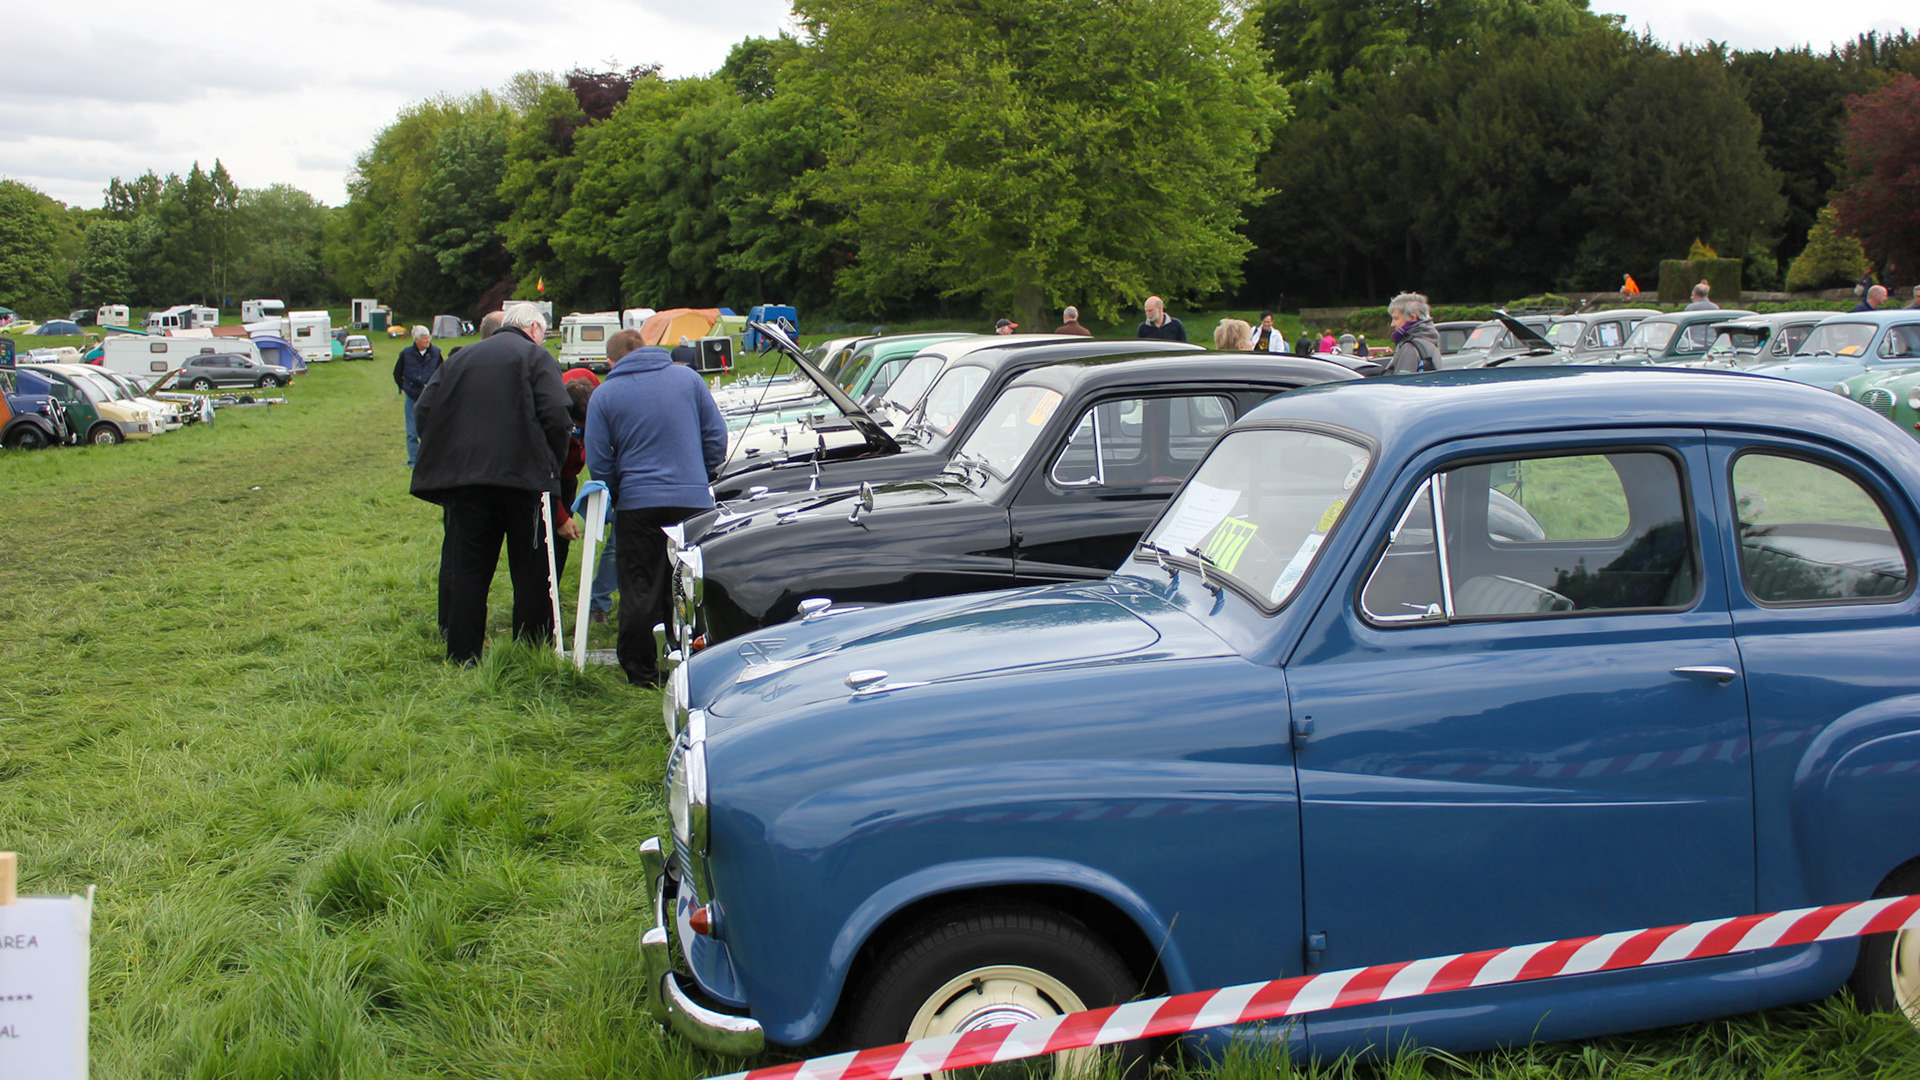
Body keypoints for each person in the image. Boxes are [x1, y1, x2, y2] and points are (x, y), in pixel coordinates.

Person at [411, 304, 575, 666]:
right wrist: (551, 464)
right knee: (531, 571)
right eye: (543, 331)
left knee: (469, 570)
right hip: (523, 482)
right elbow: (556, 416)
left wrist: (449, 450)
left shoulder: (460, 357)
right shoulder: (536, 357)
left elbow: (424, 410)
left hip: (468, 482)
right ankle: (530, 650)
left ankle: (463, 655)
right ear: (534, 328)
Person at [585, 328, 727, 687]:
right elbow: (716, 436)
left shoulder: (604, 394)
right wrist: (702, 474)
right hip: (692, 501)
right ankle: (697, 659)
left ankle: (641, 669)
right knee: (691, 586)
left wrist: (621, 491)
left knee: (638, 587)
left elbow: (600, 460)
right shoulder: (689, 380)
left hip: (638, 503)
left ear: (611, 361)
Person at [393, 326, 443, 468]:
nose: (427, 340)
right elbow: (397, 373)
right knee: (412, 431)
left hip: (430, 397)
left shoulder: (436, 353)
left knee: (431, 429)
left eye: (428, 337)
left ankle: (433, 459)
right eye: (424, 338)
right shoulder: (406, 354)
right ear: (416, 340)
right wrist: (405, 388)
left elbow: (443, 371)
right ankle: (413, 461)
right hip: (412, 397)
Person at [1385, 291, 1442, 375]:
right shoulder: (1431, 340)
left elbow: (1401, 383)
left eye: (1396, 318)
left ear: (1412, 318)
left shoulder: (1410, 347)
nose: (1392, 324)